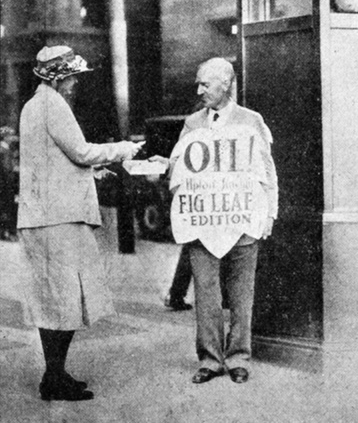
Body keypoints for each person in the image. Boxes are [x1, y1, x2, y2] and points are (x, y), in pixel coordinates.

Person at [17, 45, 143, 401]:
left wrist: (92, 172)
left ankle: (54, 374)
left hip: (42, 215)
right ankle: (53, 378)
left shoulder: (32, 106)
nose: (75, 83)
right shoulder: (54, 105)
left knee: (54, 299)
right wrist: (122, 149)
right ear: (58, 78)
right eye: (71, 76)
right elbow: (81, 151)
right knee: (67, 298)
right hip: (60, 218)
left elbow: (52, 160)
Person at [151, 57, 278, 384]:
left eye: (205, 84)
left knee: (241, 296)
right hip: (203, 224)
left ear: (226, 84)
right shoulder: (193, 123)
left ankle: (239, 358)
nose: (199, 91)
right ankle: (210, 360)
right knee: (206, 296)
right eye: (198, 84)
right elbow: (180, 166)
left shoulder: (251, 121)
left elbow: (268, 173)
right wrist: (164, 165)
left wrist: (269, 214)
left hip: (242, 221)